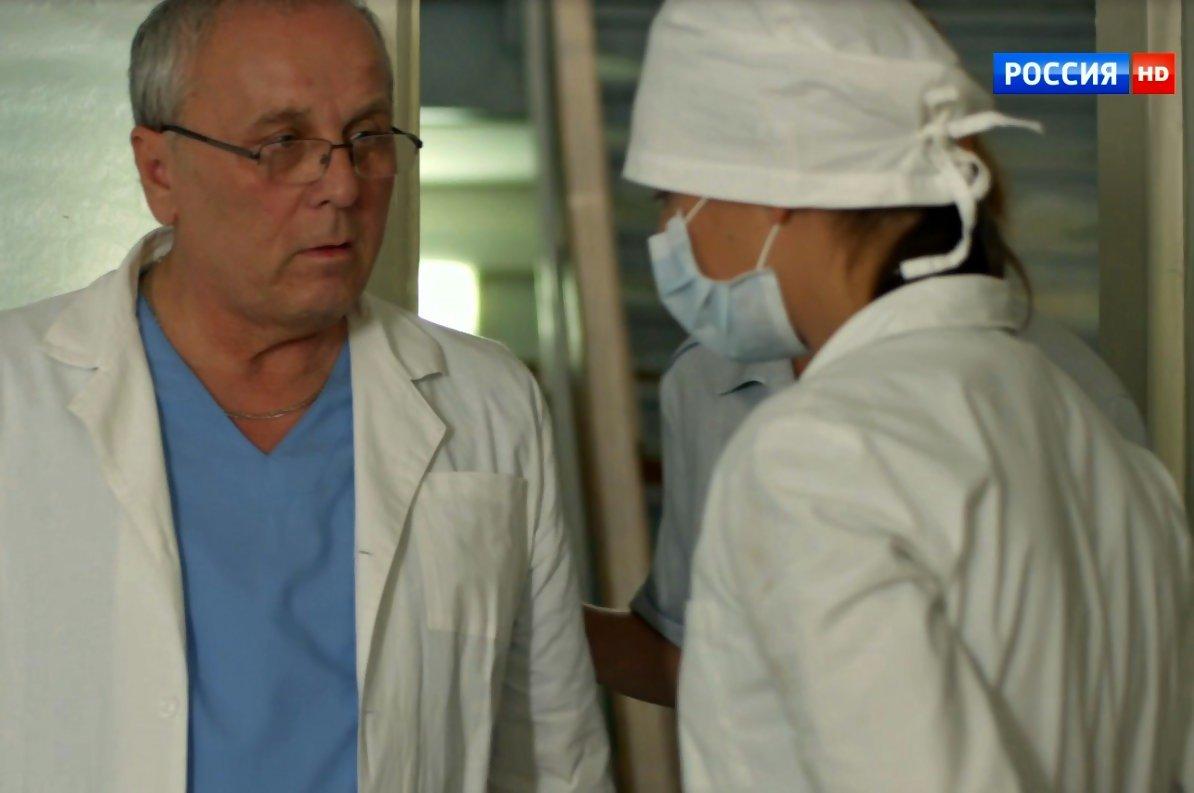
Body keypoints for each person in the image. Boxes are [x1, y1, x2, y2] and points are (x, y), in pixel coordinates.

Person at [0, 2, 612, 791]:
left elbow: (555, 758)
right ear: (160, 170)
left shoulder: (488, 403)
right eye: (283, 144)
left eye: (369, 137)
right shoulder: (17, 395)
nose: (344, 186)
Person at [622, 0, 1193, 790]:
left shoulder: (817, 453)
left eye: (669, 197)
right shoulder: (1103, 448)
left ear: (770, 182)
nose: (668, 235)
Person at [585, 154, 1150, 708]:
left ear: (769, 199)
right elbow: (714, 657)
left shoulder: (1055, 393)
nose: (665, 233)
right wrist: (546, 621)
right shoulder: (710, 378)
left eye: (668, 199)